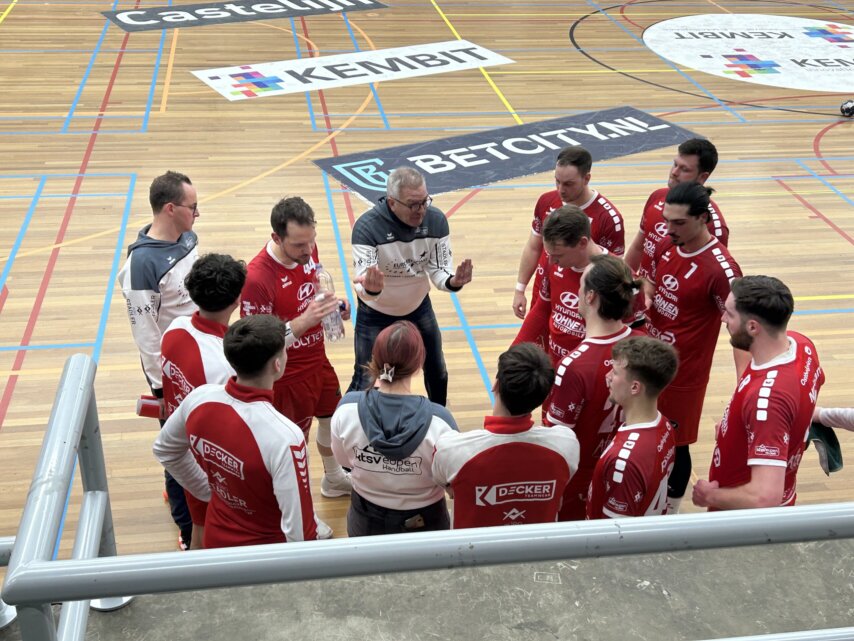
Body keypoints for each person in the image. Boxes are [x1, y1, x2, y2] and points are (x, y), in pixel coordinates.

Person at [153, 314, 319, 547]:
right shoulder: (286, 437)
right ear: (278, 364)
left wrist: (207, 490)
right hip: (263, 558)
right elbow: (301, 534)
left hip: (215, 541)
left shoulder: (199, 398)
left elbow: (165, 450)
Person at [240, 196, 352, 527]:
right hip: (286, 376)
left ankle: (332, 479)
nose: (308, 251)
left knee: (332, 419)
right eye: (299, 244)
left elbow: (313, 289)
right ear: (276, 238)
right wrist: (304, 321)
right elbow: (257, 346)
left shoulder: (307, 249)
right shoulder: (257, 279)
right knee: (293, 449)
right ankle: (299, 513)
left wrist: (336, 305)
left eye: (311, 241)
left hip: (317, 359)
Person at [640, 181, 744, 514]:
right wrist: (642, 290)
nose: (669, 229)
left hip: (683, 376)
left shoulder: (722, 270)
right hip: (646, 360)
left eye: (679, 223)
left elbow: (740, 330)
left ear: (703, 219)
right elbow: (649, 279)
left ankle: (671, 510)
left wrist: (744, 386)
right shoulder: (668, 244)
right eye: (667, 220)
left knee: (677, 446)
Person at [117, 170, 199, 549]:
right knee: (176, 446)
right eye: (192, 207)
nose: (197, 215)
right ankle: (186, 530)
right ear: (170, 208)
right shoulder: (140, 267)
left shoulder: (187, 238)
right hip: (172, 377)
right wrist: (162, 389)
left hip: (200, 361)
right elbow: (147, 337)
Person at [693, 276, 824, 510]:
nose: (723, 318)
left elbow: (765, 497)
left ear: (753, 327)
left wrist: (709, 497)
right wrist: (734, 424)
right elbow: (795, 407)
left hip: (743, 519)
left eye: (730, 314)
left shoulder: (766, 402)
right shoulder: (801, 345)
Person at [348, 167, 473, 405]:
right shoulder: (367, 227)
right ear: (392, 203)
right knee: (365, 376)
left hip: (418, 307)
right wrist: (372, 289)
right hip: (375, 312)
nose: (421, 210)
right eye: (413, 204)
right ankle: (351, 422)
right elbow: (364, 286)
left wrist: (453, 281)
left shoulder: (436, 221)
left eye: (424, 201)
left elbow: (439, 271)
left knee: (437, 369)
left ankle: (439, 419)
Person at [431, 343, 579, 528]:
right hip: (540, 551)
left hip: (473, 553)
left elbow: (442, 482)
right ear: (544, 396)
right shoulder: (566, 445)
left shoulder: (452, 449)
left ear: (496, 385)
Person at [332, 321, 458, 536]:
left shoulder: (346, 410)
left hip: (365, 517)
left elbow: (345, 462)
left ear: (375, 358)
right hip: (425, 522)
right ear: (419, 364)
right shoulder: (441, 422)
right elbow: (451, 483)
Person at [544, 254, 644, 520]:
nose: (576, 290)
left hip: (581, 484)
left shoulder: (574, 366)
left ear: (590, 297)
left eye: (581, 285)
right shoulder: (644, 345)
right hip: (629, 472)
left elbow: (556, 443)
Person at [159, 252, 246, 549]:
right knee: (205, 531)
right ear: (236, 301)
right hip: (209, 466)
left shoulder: (174, 330)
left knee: (195, 523)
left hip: (182, 445)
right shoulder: (225, 363)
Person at [512, 145, 625, 322]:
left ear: (586, 178)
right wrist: (520, 288)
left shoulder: (608, 219)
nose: (561, 189)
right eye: (557, 181)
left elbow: (613, 274)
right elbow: (534, 247)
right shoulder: (546, 201)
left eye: (568, 184)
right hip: (544, 295)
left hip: (578, 307)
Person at [587, 337, 678, 519]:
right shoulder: (665, 425)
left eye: (614, 372)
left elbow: (616, 536)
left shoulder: (623, 462)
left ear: (635, 387)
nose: (608, 377)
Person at [514, 205, 606, 364]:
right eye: (549, 255)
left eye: (558, 255)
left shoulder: (615, 277)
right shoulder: (556, 264)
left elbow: (634, 335)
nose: (550, 262)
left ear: (582, 243)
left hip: (587, 377)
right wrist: (511, 358)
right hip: (556, 367)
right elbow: (541, 311)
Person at [625, 138, 728, 273]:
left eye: (684, 169)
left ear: (702, 177)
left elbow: (709, 273)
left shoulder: (714, 226)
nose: (674, 172)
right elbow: (639, 247)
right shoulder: (657, 196)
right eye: (675, 164)